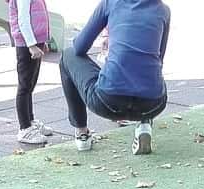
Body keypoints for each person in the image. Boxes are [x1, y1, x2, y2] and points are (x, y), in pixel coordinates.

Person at [60, 0, 171, 156]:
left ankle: (82, 133)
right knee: (151, 70)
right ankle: (144, 125)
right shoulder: (163, 10)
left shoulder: (110, 3)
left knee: (68, 54)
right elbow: (160, 56)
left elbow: (79, 47)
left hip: (108, 102)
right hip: (152, 105)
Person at [9, 0, 58, 146]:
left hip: (36, 41)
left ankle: (30, 121)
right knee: (24, 86)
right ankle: (24, 128)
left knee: (30, 84)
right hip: (26, 44)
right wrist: (31, 45)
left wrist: (44, 40)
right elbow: (23, 19)